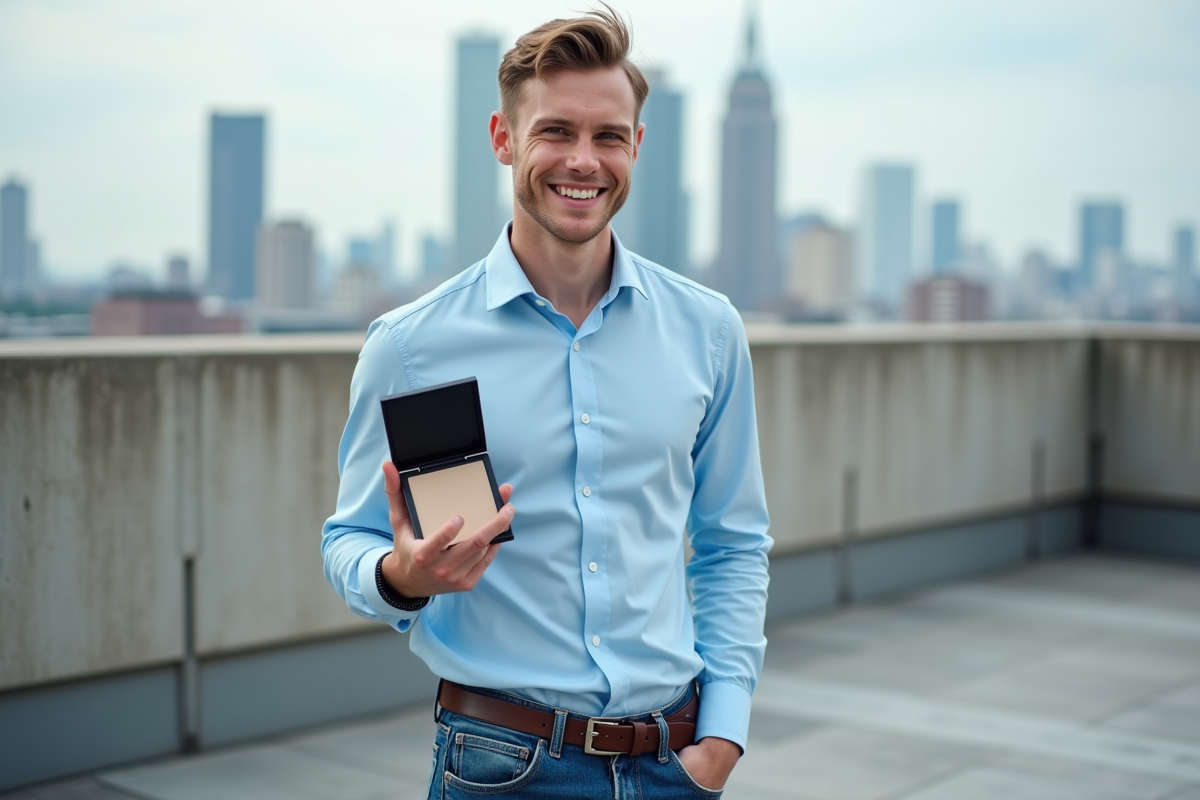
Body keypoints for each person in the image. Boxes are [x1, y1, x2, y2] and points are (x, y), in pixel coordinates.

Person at [322, 6, 771, 797]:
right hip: (502, 766)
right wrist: (403, 574)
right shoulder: (412, 345)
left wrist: (725, 731)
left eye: (607, 136)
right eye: (556, 131)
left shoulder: (707, 329)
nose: (583, 161)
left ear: (637, 145)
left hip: (676, 763)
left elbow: (733, 542)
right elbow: (346, 542)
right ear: (503, 139)